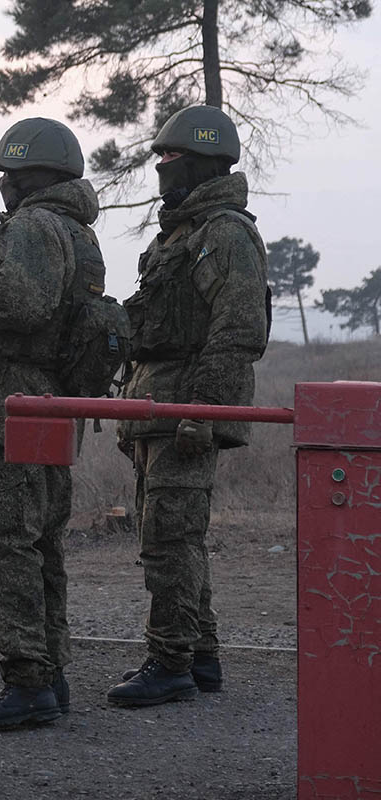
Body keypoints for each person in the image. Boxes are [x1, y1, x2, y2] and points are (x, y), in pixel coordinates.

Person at [0, 118, 104, 729]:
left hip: (15, 404)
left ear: (34, 176)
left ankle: (27, 680)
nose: (3, 185)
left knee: (3, 542)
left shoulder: (34, 227)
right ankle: (49, 673)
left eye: (10, 173)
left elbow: (19, 304)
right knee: (40, 542)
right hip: (52, 403)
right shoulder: (76, 230)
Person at [107, 105, 270, 707]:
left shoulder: (225, 231)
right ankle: (200, 656)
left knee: (170, 539)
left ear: (200, 162)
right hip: (157, 409)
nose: (161, 168)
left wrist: (203, 410)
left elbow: (238, 328)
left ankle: (169, 661)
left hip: (184, 414)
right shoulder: (182, 233)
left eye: (170, 158)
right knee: (172, 535)